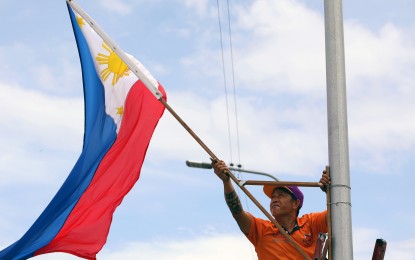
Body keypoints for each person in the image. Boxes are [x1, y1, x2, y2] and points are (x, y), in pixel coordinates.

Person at [212, 159, 331, 260]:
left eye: (280, 195)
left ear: (296, 203)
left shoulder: (311, 223)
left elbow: (338, 214)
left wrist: (331, 190)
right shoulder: (261, 229)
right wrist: (226, 181)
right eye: (273, 197)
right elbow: (237, 212)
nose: (274, 199)